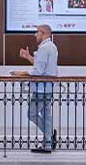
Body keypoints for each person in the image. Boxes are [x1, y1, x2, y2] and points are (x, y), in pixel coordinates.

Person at [14, 24, 59, 153]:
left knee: (32, 114)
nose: (35, 35)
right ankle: (48, 144)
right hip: (48, 88)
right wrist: (28, 57)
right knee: (46, 116)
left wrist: (21, 73)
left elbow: (38, 71)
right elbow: (41, 65)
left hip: (41, 89)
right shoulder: (51, 46)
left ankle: (49, 136)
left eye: (37, 32)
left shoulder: (44, 48)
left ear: (43, 33)